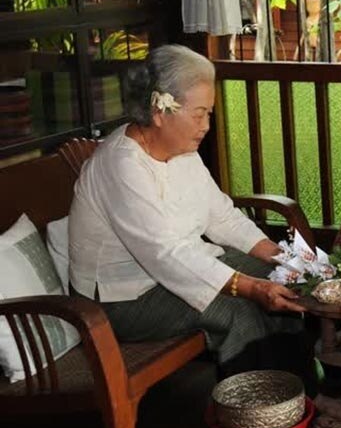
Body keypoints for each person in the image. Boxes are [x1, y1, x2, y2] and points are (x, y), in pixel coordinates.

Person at [68, 44, 313, 388]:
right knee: (237, 311)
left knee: (286, 277)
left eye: (208, 113)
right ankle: (260, 414)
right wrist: (252, 288)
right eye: (199, 114)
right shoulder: (122, 166)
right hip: (120, 299)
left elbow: (222, 217)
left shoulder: (179, 150)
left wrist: (291, 259)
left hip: (176, 267)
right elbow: (166, 255)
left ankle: (304, 395)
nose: (207, 125)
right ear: (159, 110)